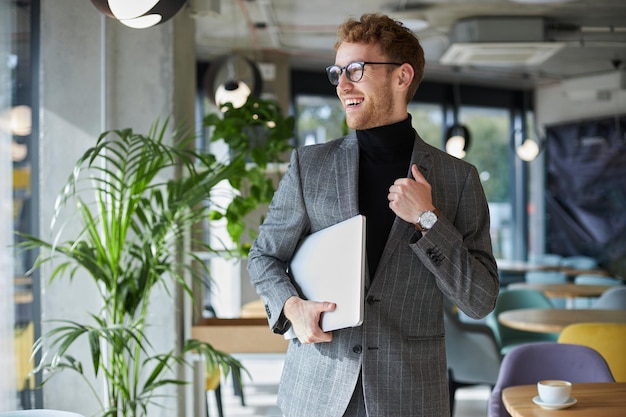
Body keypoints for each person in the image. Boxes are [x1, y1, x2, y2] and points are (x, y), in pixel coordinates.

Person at [247, 12, 499, 417]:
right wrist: (292, 307)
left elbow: (480, 301)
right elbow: (264, 257)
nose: (343, 85)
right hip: (317, 392)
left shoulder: (459, 179)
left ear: (401, 77)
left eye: (357, 70)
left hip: (410, 396)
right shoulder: (308, 167)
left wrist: (428, 220)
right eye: (338, 72)